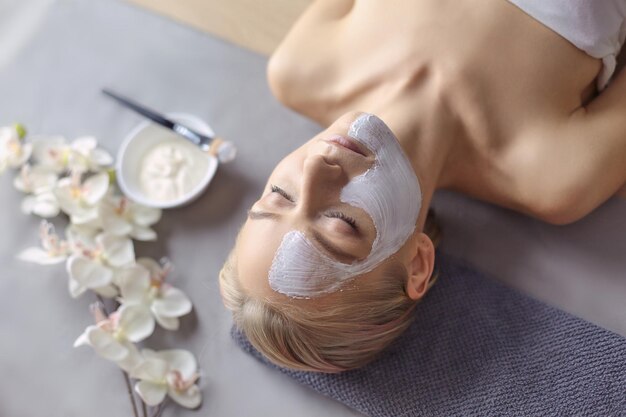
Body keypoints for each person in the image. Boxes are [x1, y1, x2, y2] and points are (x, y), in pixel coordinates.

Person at [220, 0, 626, 373]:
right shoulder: (551, 176)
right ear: (417, 264)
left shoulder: (300, 69)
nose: (316, 170)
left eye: (279, 195)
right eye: (341, 222)